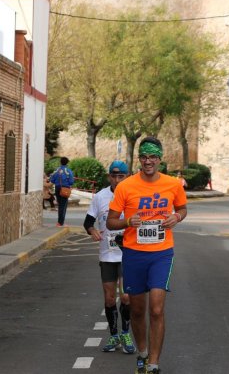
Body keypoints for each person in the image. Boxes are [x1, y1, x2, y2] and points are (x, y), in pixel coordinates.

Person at [107, 137, 187, 374]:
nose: (148, 161)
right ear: (139, 159)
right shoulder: (125, 187)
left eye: (153, 157)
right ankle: (142, 352)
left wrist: (178, 217)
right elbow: (111, 222)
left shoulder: (173, 184)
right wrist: (128, 221)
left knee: (157, 309)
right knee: (138, 310)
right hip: (133, 254)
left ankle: (153, 364)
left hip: (162, 254)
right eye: (144, 157)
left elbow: (182, 208)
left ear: (160, 159)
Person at [83, 160, 135, 354]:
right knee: (109, 298)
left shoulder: (133, 195)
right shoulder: (100, 197)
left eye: (121, 176)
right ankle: (114, 336)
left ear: (127, 176)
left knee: (127, 297)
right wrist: (92, 231)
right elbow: (88, 221)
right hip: (107, 255)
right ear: (109, 177)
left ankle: (125, 333)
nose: (117, 179)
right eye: (113, 176)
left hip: (128, 254)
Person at [49, 157, 74, 226]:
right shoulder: (68, 171)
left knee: (60, 205)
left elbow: (52, 180)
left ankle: (60, 222)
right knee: (63, 206)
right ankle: (60, 222)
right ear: (67, 162)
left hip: (57, 188)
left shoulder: (57, 170)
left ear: (60, 162)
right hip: (65, 189)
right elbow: (71, 181)